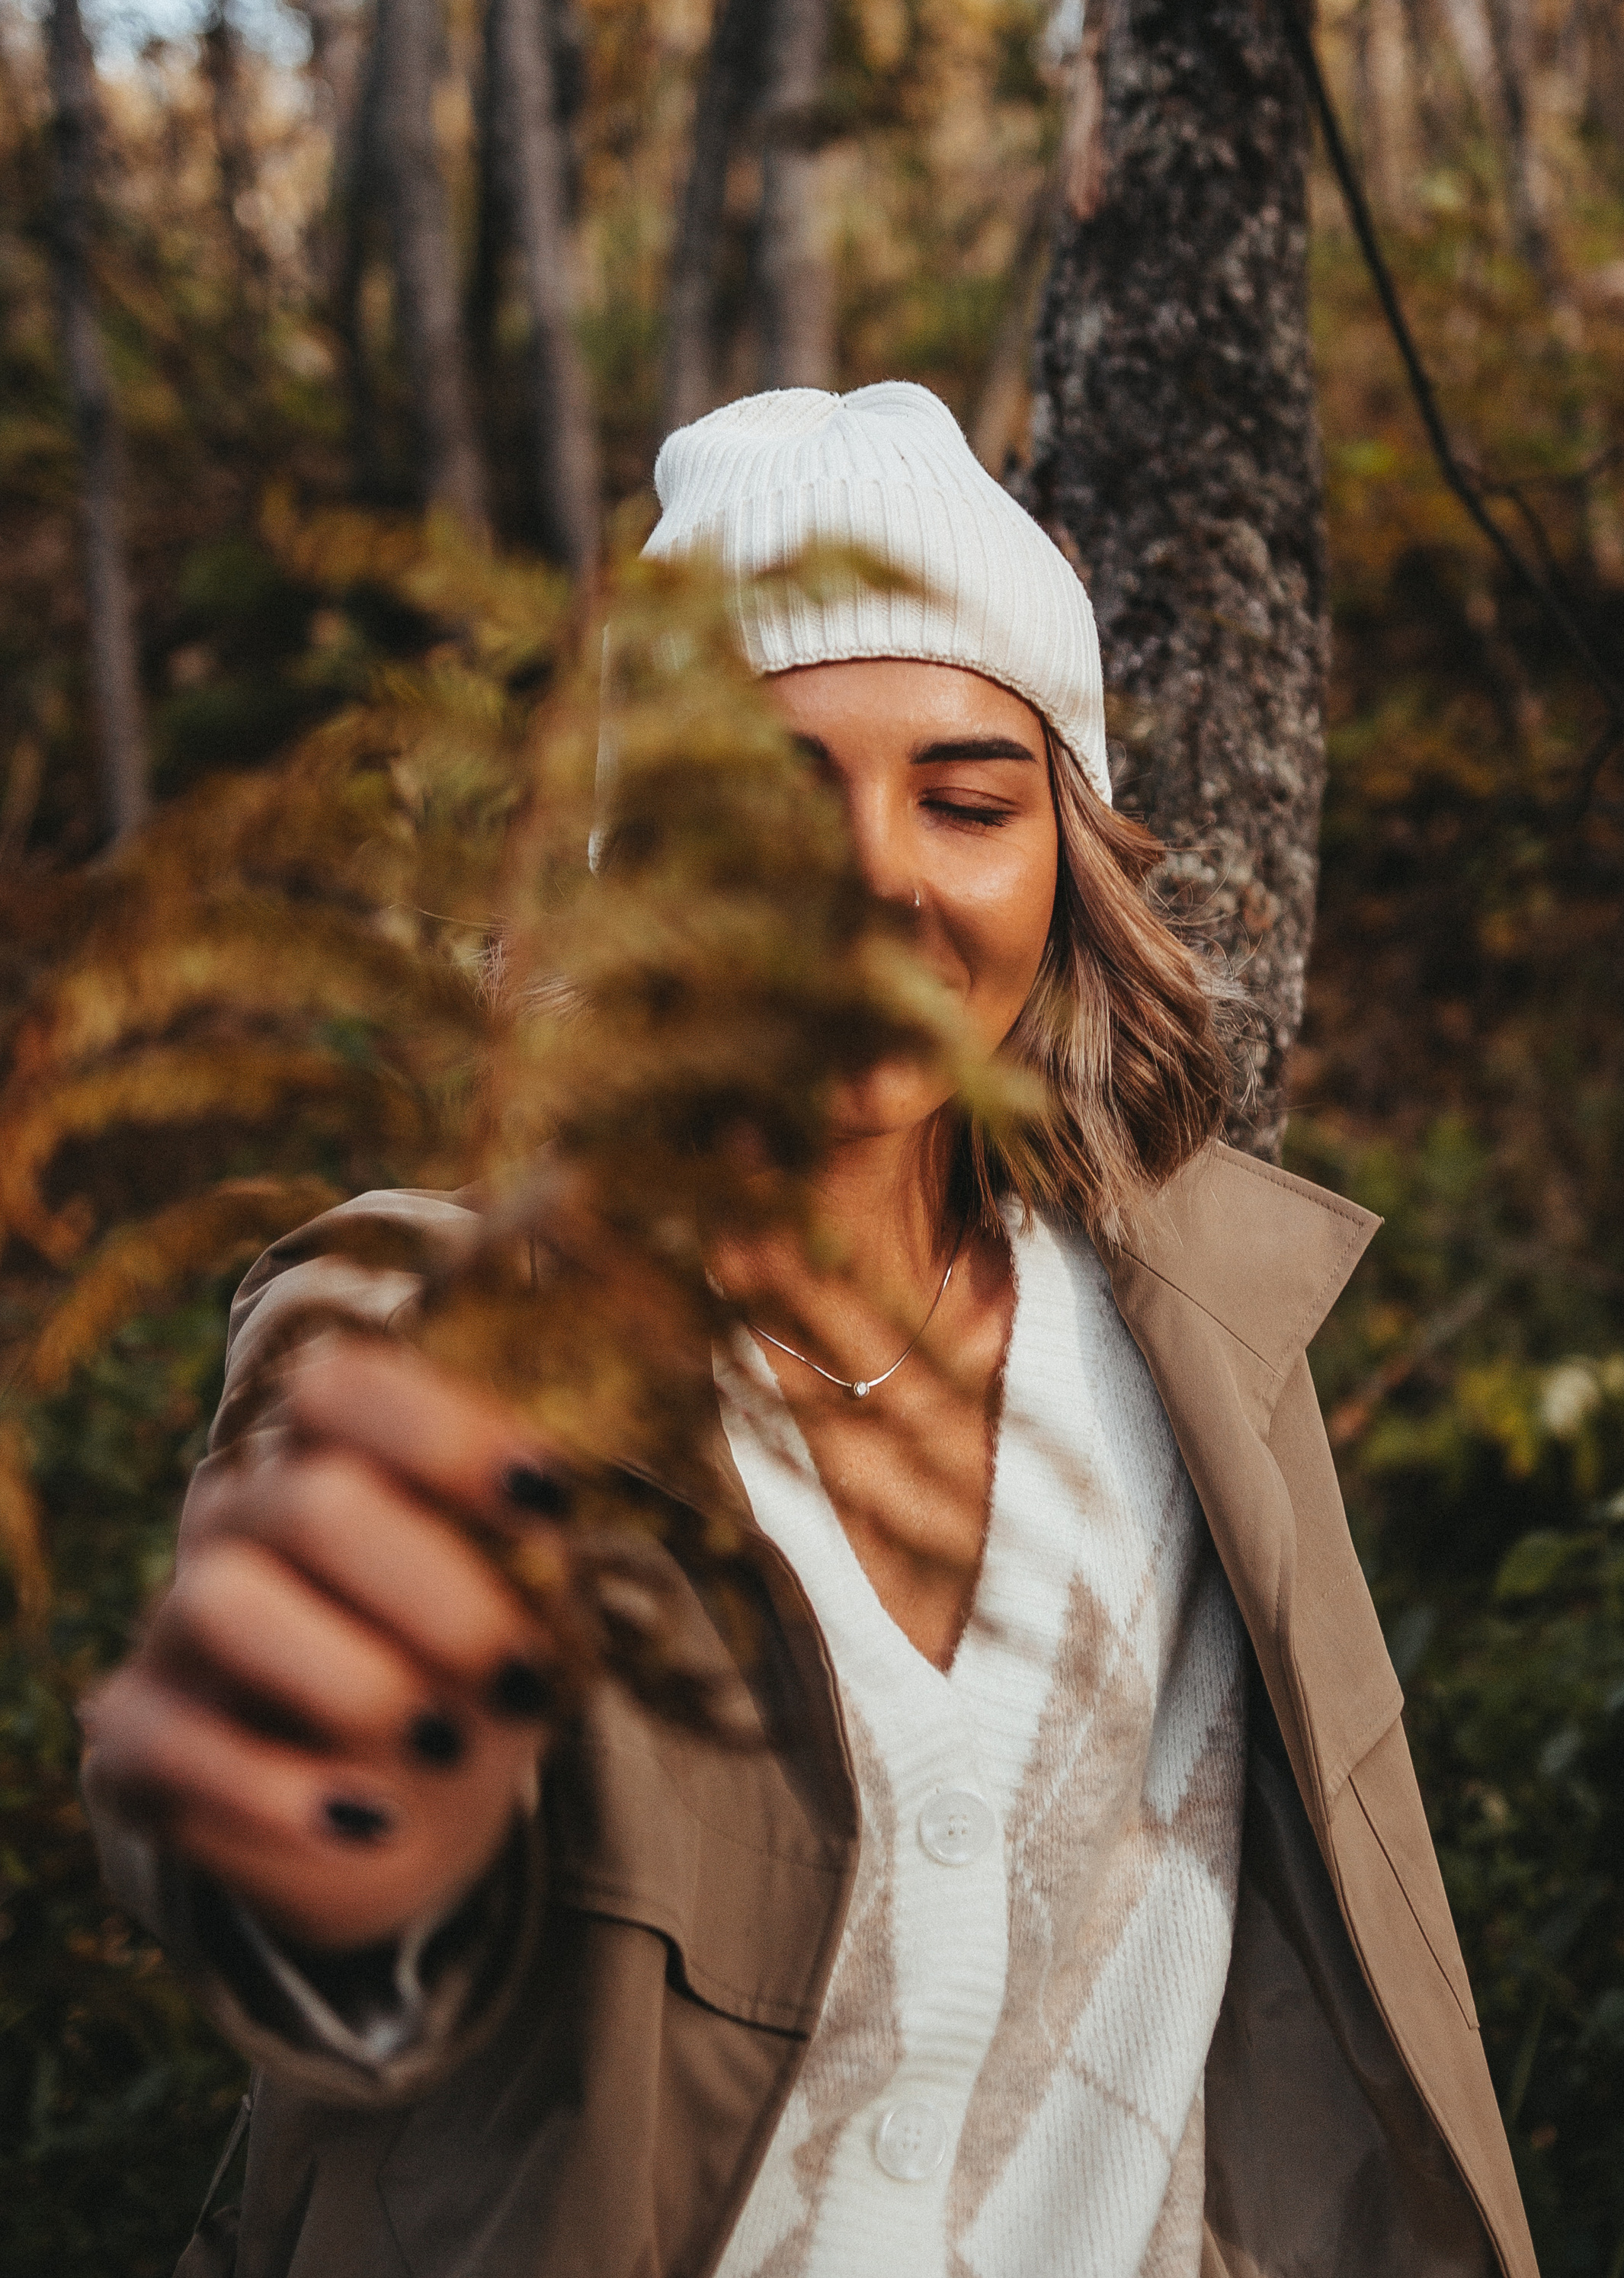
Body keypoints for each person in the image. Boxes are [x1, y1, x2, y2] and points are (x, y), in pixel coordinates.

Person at [84, 383, 1538, 2278]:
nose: (873, 876)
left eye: (965, 799)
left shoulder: (1199, 1343)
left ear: (1063, 868)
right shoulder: (432, 1326)